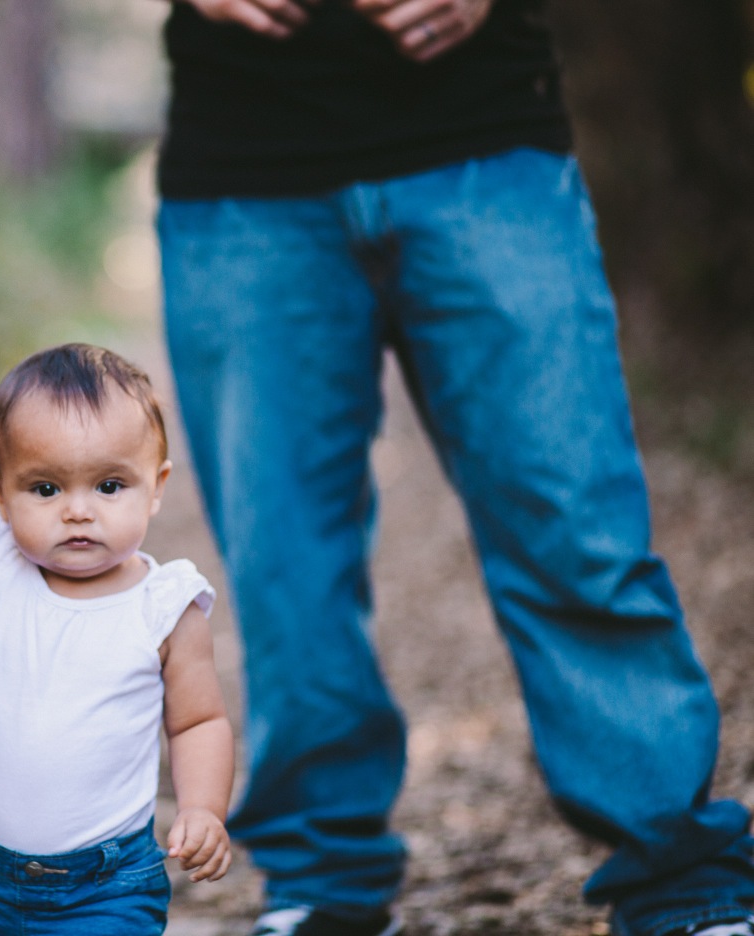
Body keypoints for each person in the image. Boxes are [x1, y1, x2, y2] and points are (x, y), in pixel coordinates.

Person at [152, 1, 754, 935]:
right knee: (284, 569)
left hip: (488, 144)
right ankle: (323, 888)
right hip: (242, 171)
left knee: (575, 535)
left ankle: (684, 883)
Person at [0, 343, 235, 935]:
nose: (78, 511)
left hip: (107, 890)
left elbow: (198, 722)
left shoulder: (165, 606)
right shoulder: (1, 560)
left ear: (156, 487)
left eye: (110, 486)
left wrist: (202, 810)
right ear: (0, 496)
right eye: (45, 489)